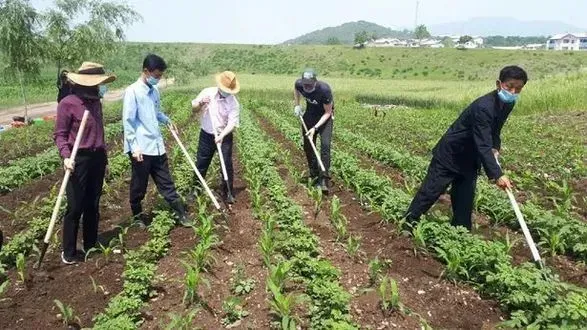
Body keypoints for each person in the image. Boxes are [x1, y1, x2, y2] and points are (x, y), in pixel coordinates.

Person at [404, 65, 528, 231]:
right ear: (499, 84)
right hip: (451, 155)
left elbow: (496, 129)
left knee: (464, 202)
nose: (513, 92)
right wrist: (497, 175)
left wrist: (495, 147)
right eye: (509, 86)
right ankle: (407, 225)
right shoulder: (484, 107)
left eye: (518, 89)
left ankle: (460, 236)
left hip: (470, 159)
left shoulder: (507, 104)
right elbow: (483, 143)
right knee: (429, 193)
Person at [53, 62, 115, 264]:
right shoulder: (68, 103)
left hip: (96, 157)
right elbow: (60, 135)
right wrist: (66, 156)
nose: (100, 87)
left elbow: (100, 132)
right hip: (77, 158)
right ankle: (69, 252)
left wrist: (105, 158)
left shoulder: (96, 102)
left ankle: (90, 244)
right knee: (75, 205)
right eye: (97, 83)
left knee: (93, 203)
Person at [123, 54, 190, 227]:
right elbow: (128, 121)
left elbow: (156, 113)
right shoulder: (133, 91)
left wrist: (167, 120)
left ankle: (180, 213)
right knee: (139, 185)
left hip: (157, 146)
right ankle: (137, 216)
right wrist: (134, 147)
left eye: (160, 76)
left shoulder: (155, 91)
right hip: (141, 149)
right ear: (146, 71)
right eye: (157, 76)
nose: (158, 79)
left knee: (166, 181)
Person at [191, 71, 241, 203]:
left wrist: (222, 135)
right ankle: (196, 189)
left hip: (224, 136)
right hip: (206, 134)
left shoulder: (233, 103)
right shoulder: (207, 93)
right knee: (201, 162)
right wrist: (200, 103)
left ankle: (228, 191)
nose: (226, 92)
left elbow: (232, 123)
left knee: (226, 163)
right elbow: (194, 108)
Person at [293, 68, 334, 192]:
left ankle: (323, 180)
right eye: (305, 85)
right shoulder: (299, 84)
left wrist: (315, 128)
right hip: (310, 114)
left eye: (310, 85)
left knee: (325, 146)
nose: (307, 87)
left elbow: (328, 112)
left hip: (324, 117)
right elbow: (296, 89)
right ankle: (314, 173)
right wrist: (297, 104)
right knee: (308, 145)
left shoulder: (324, 90)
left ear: (315, 82)